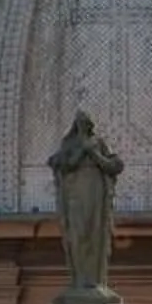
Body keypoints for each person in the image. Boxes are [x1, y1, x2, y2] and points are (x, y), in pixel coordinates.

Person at [47, 110, 125, 294]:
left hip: (96, 192)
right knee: (78, 232)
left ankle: (95, 278)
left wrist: (94, 153)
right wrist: (83, 149)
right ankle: (80, 278)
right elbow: (65, 165)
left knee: (96, 232)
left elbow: (114, 165)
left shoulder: (98, 143)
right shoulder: (69, 144)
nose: (83, 125)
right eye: (80, 122)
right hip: (75, 192)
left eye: (86, 122)